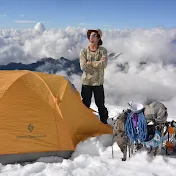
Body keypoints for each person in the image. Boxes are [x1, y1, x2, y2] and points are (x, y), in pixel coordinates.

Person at [79, 29, 109, 124]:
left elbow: (103, 64)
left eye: (95, 35)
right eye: (90, 35)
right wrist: (96, 67)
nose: (92, 36)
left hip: (98, 83)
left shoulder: (102, 51)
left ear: (99, 38)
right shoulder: (83, 51)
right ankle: (83, 122)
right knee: (85, 104)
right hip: (86, 83)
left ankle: (104, 122)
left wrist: (91, 63)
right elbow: (83, 66)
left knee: (100, 104)